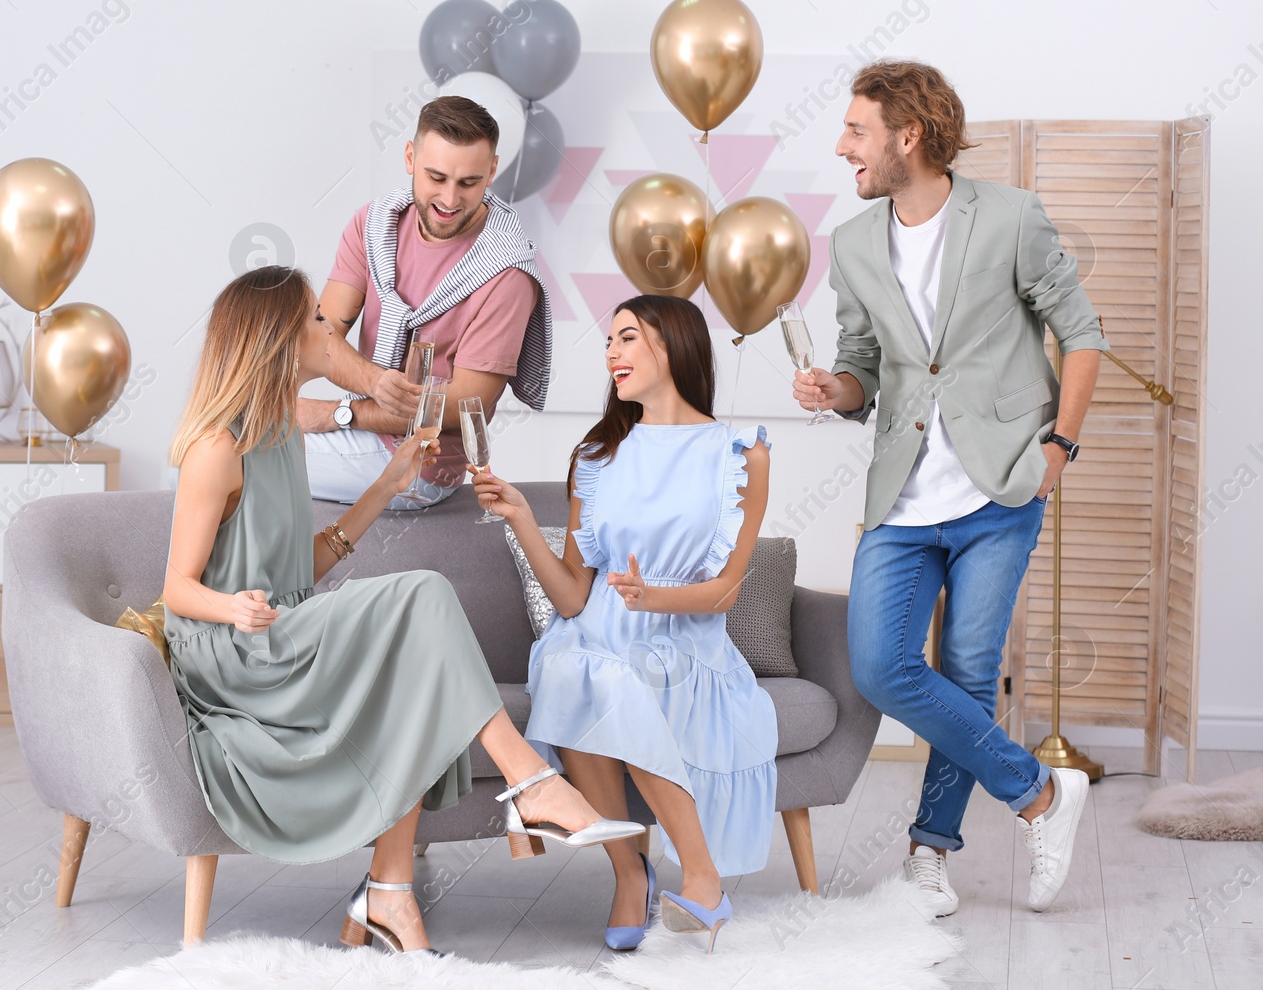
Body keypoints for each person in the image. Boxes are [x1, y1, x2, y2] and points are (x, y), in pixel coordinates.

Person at [161, 265, 643, 956]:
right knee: (421, 594)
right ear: (276, 339)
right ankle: (531, 782)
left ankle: (390, 889)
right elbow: (177, 587)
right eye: (316, 321)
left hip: (283, 626)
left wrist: (388, 485)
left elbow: (305, 566)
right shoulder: (216, 447)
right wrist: (231, 606)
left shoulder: (281, 434)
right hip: (234, 656)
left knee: (413, 664)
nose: (331, 330)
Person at [793, 60, 1107, 916]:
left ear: (909, 136)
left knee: (967, 675)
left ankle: (929, 856)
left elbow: (1081, 332)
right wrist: (836, 389)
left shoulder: (1008, 217)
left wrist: (1060, 446)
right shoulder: (852, 243)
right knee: (881, 665)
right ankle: (1040, 792)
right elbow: (865, 365)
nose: (842, 147)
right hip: (901, 494)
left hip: (999, 486)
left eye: (857, 132)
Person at [471, 294, 777, 954]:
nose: (612, 352)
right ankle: (632, 869)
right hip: (598, 634)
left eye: (627, 337)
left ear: (673, 344)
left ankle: (696, 874)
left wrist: (653, 600)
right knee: (569, 663)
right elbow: (575, 598)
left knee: (614, 679)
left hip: (683, 645)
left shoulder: (739, 455)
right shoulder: (597, 454)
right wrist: (523, 516)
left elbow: (724, 592)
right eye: (610, 340)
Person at [297, 94, 553, 510]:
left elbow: (460, 409)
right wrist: (374, 384)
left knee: (208, 462)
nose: (450, 200)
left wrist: (334, 413)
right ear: (410, 157)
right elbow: (318, 336)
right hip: (365, 434)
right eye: (436, 177)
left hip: (425, 464)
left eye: (468, 183)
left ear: (491, 171)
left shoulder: (508, 271)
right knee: (209, 440)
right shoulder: (373, 226)